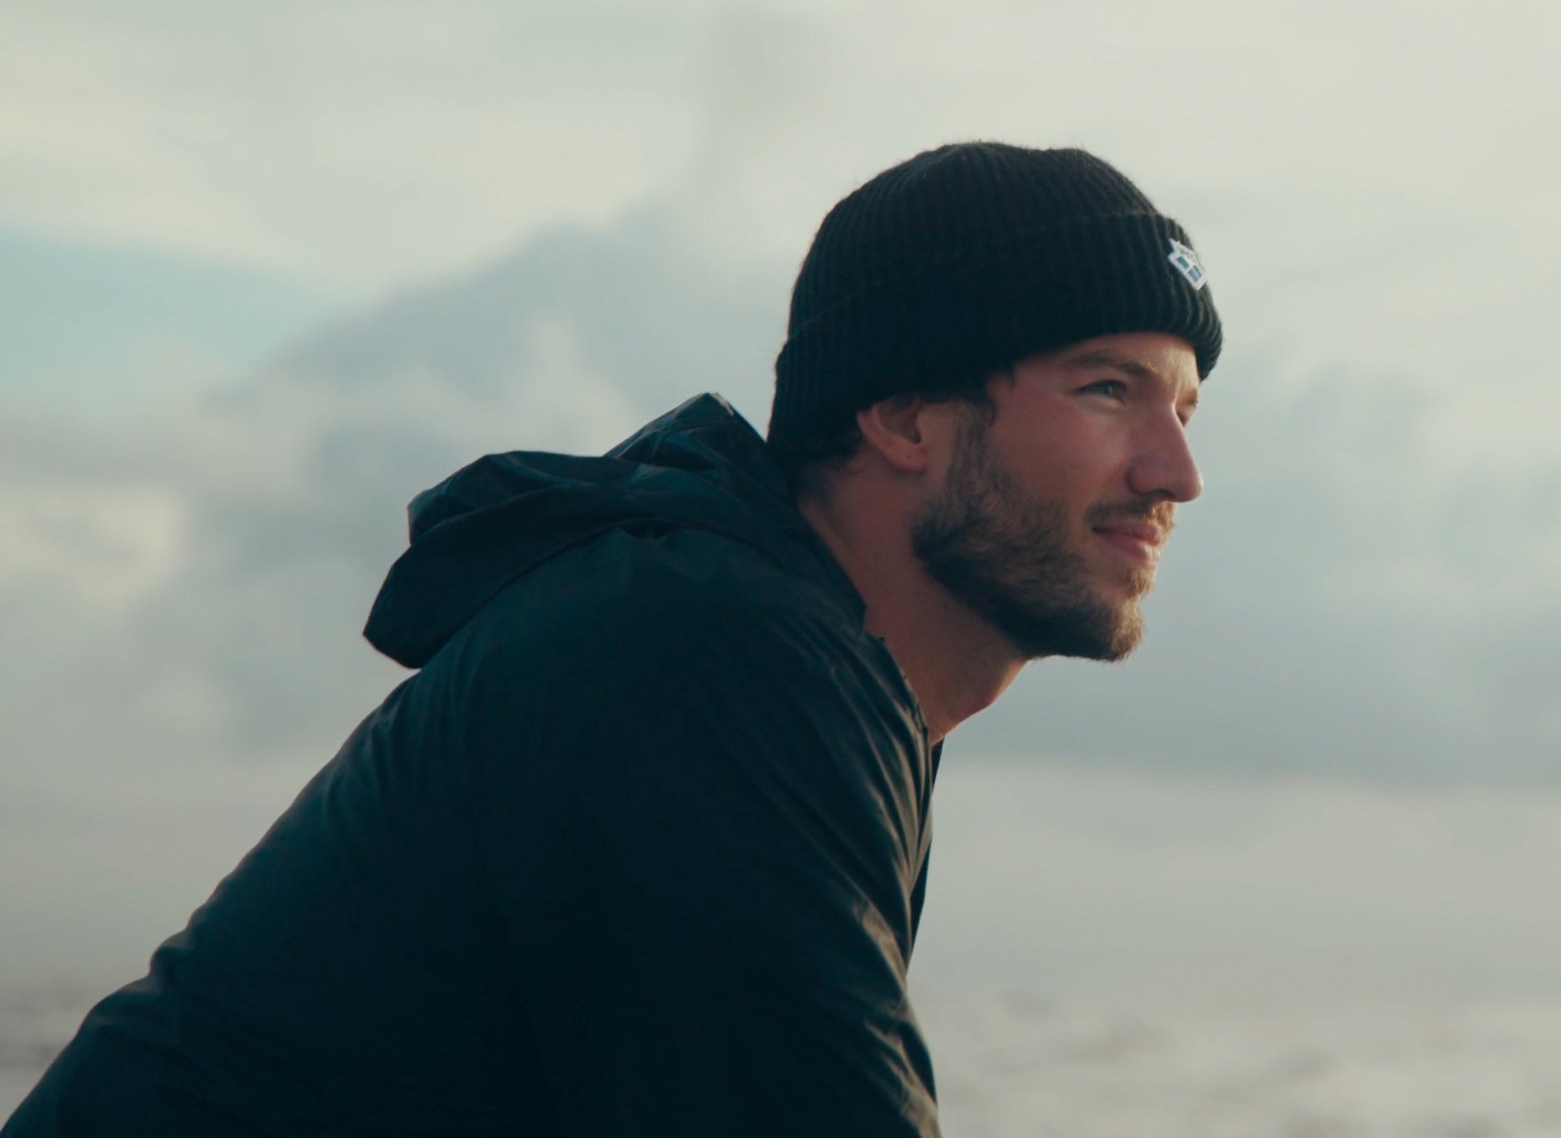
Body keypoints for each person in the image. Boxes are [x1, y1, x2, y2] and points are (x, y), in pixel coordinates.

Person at [4, 142, 1221, 1137]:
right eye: (1106, 390)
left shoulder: (770, 646)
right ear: (903, 416)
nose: (1176, 473)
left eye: (1182, 406)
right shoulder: (712, 657)